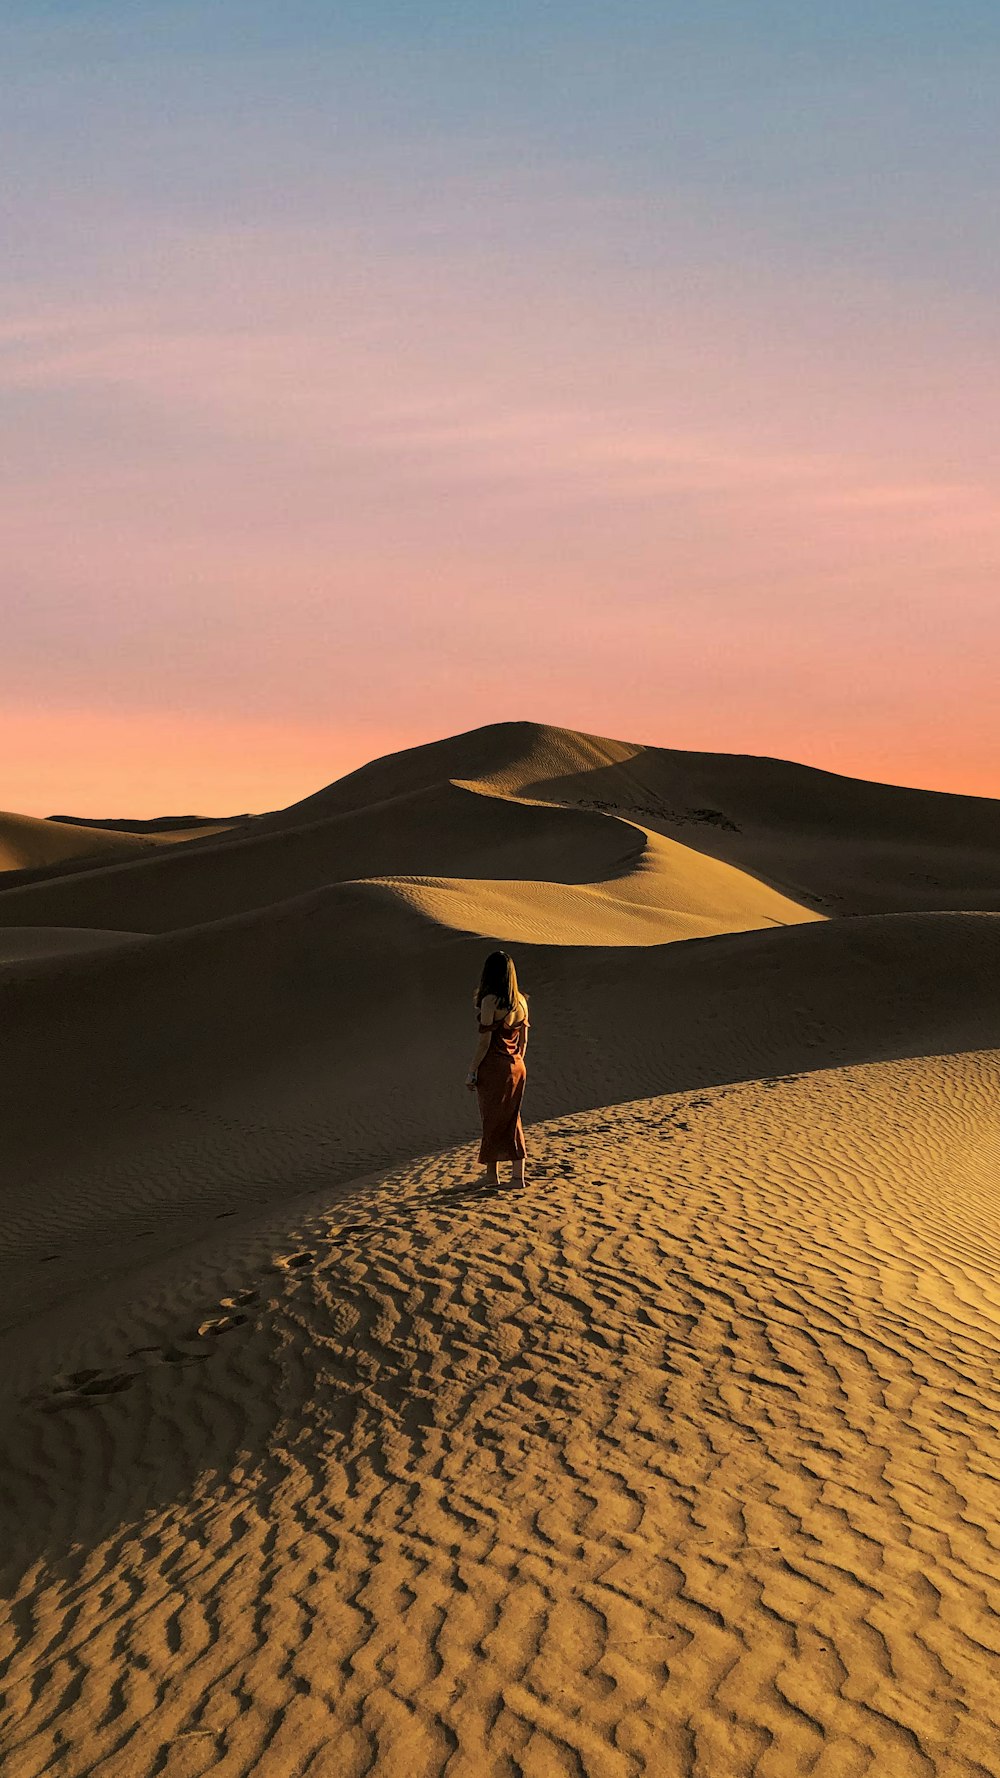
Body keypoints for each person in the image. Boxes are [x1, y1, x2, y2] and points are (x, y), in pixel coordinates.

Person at [465, 949, 529, 1186]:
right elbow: (523, 1040)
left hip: (494, 1066)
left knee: (491, 1118)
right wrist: (516, 1062)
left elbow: (485, 1042)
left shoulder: (490, 1001)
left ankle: (492, 1176)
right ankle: (517, 1176)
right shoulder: (521, 1000)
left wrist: (472, 1071)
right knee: (512, 1118)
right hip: (517, 1065)